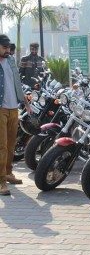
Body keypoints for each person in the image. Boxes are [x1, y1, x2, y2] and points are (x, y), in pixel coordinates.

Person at [0, 34, 32, 196]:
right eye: (4, 47)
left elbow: (18, 84)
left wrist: (26, 104)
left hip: (14, 109)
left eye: (8, 47)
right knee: (2, 146)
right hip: (1, 110)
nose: (8, 50)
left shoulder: (11, 61)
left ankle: (8, 173)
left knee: (12, 144)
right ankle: (1, 182)